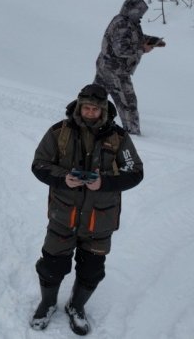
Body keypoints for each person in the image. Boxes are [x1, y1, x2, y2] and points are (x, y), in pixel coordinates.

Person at [29, 83, 144, 335]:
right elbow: (39, 164)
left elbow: (135, 172)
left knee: (92, 271)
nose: (90, 112)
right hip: (63, 215)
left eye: (95, 109)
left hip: (100, 220)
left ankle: (76, 306)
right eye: (86, 108)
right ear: (79, 106)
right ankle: (48, 303)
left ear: (103, 111)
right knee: (51, 266)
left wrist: (105, 182)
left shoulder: (119, 138)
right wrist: (63, 178)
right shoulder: (59, 132)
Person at [93, 0, 164, 136]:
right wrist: (143, 49)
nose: (141, 15)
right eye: (140, 12)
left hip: (106, 67)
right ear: (133, 10)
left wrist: (151, 40)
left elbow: (133, 38)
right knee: (128, 103)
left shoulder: (127, 21)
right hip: (116, 71)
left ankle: (81, 118)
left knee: (95, 96)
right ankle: (132, 134)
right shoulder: (123, 24)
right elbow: (121, 49)